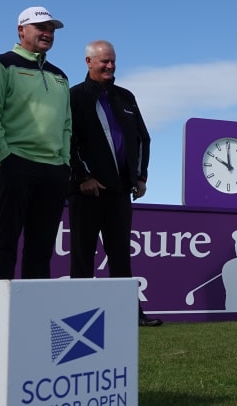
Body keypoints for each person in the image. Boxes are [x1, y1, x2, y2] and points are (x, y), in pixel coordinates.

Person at [68, 40, 162, 327]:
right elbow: (66, 141)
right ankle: (80, 317)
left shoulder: (126, 96)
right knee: (83, 255)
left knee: (120, 254)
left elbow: (143, 138)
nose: (109, 66)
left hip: (121, 190)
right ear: (88, 62)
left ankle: (131, 315)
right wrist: (83, 177)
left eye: (112, 62)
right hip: (88, 191)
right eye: (103, 62)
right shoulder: (74, 96)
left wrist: (140, 176)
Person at [0, 7, 72, 280]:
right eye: (41, 28)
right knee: (6, 238)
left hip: (54, 168)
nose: (48, 34)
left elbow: (67, 124)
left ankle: (34, 312)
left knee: (41, 245)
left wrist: (65, 162)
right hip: (15, 161)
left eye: (51, 29)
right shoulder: (2, 64)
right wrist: (2, 154)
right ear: (21, 30)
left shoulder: (60, 75)